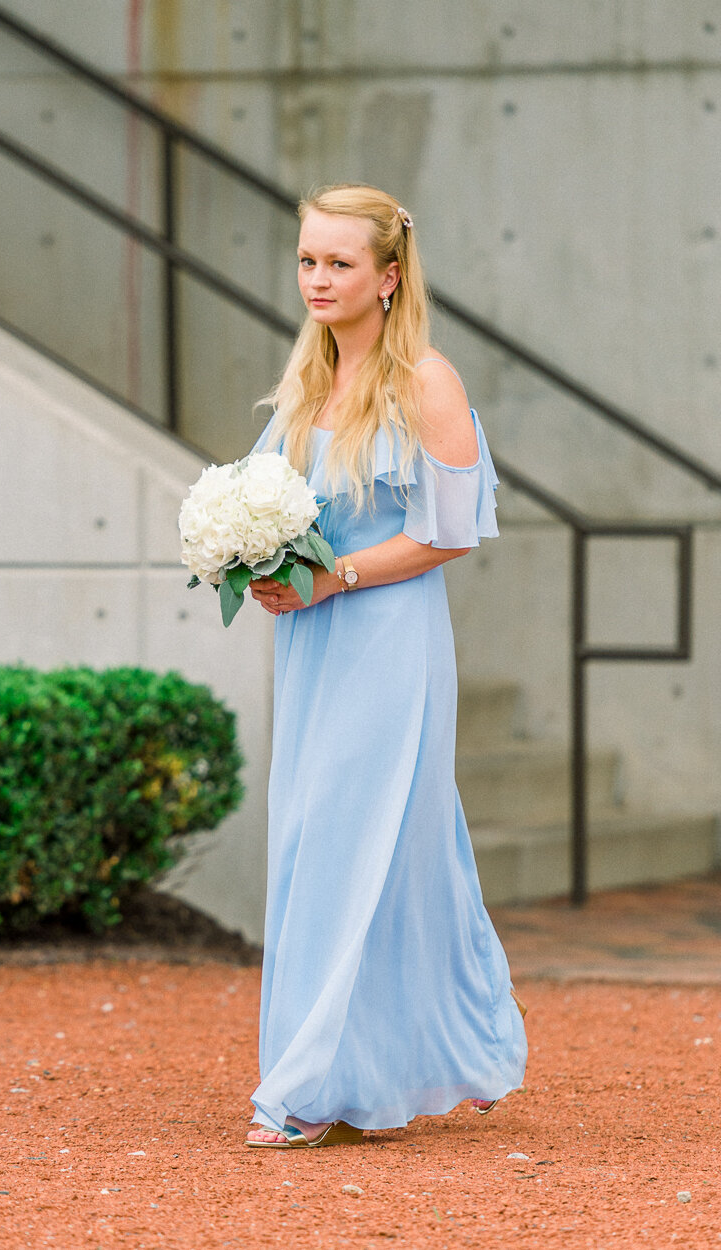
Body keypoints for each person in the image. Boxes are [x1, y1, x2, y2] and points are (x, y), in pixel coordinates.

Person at [244, 183, 527, 1149]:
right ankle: (435, 1047)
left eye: (339, 263)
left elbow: (449, 535)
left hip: (387, 639)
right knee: (334, 842)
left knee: (348, 841)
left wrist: (335, 579)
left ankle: (309, 1087)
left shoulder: (426, 383)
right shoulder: (303, 381)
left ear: (389, 276)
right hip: (312, 644)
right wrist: (254, 561)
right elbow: (271, 504)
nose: (318, 279)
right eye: (307, 260)